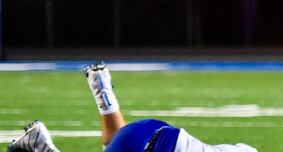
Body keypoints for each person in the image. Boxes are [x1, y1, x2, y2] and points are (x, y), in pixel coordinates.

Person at [6, 62, 257, 152]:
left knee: (114, 144)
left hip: (149, 130)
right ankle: (43, 147)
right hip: (156, 147)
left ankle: (103, 90)